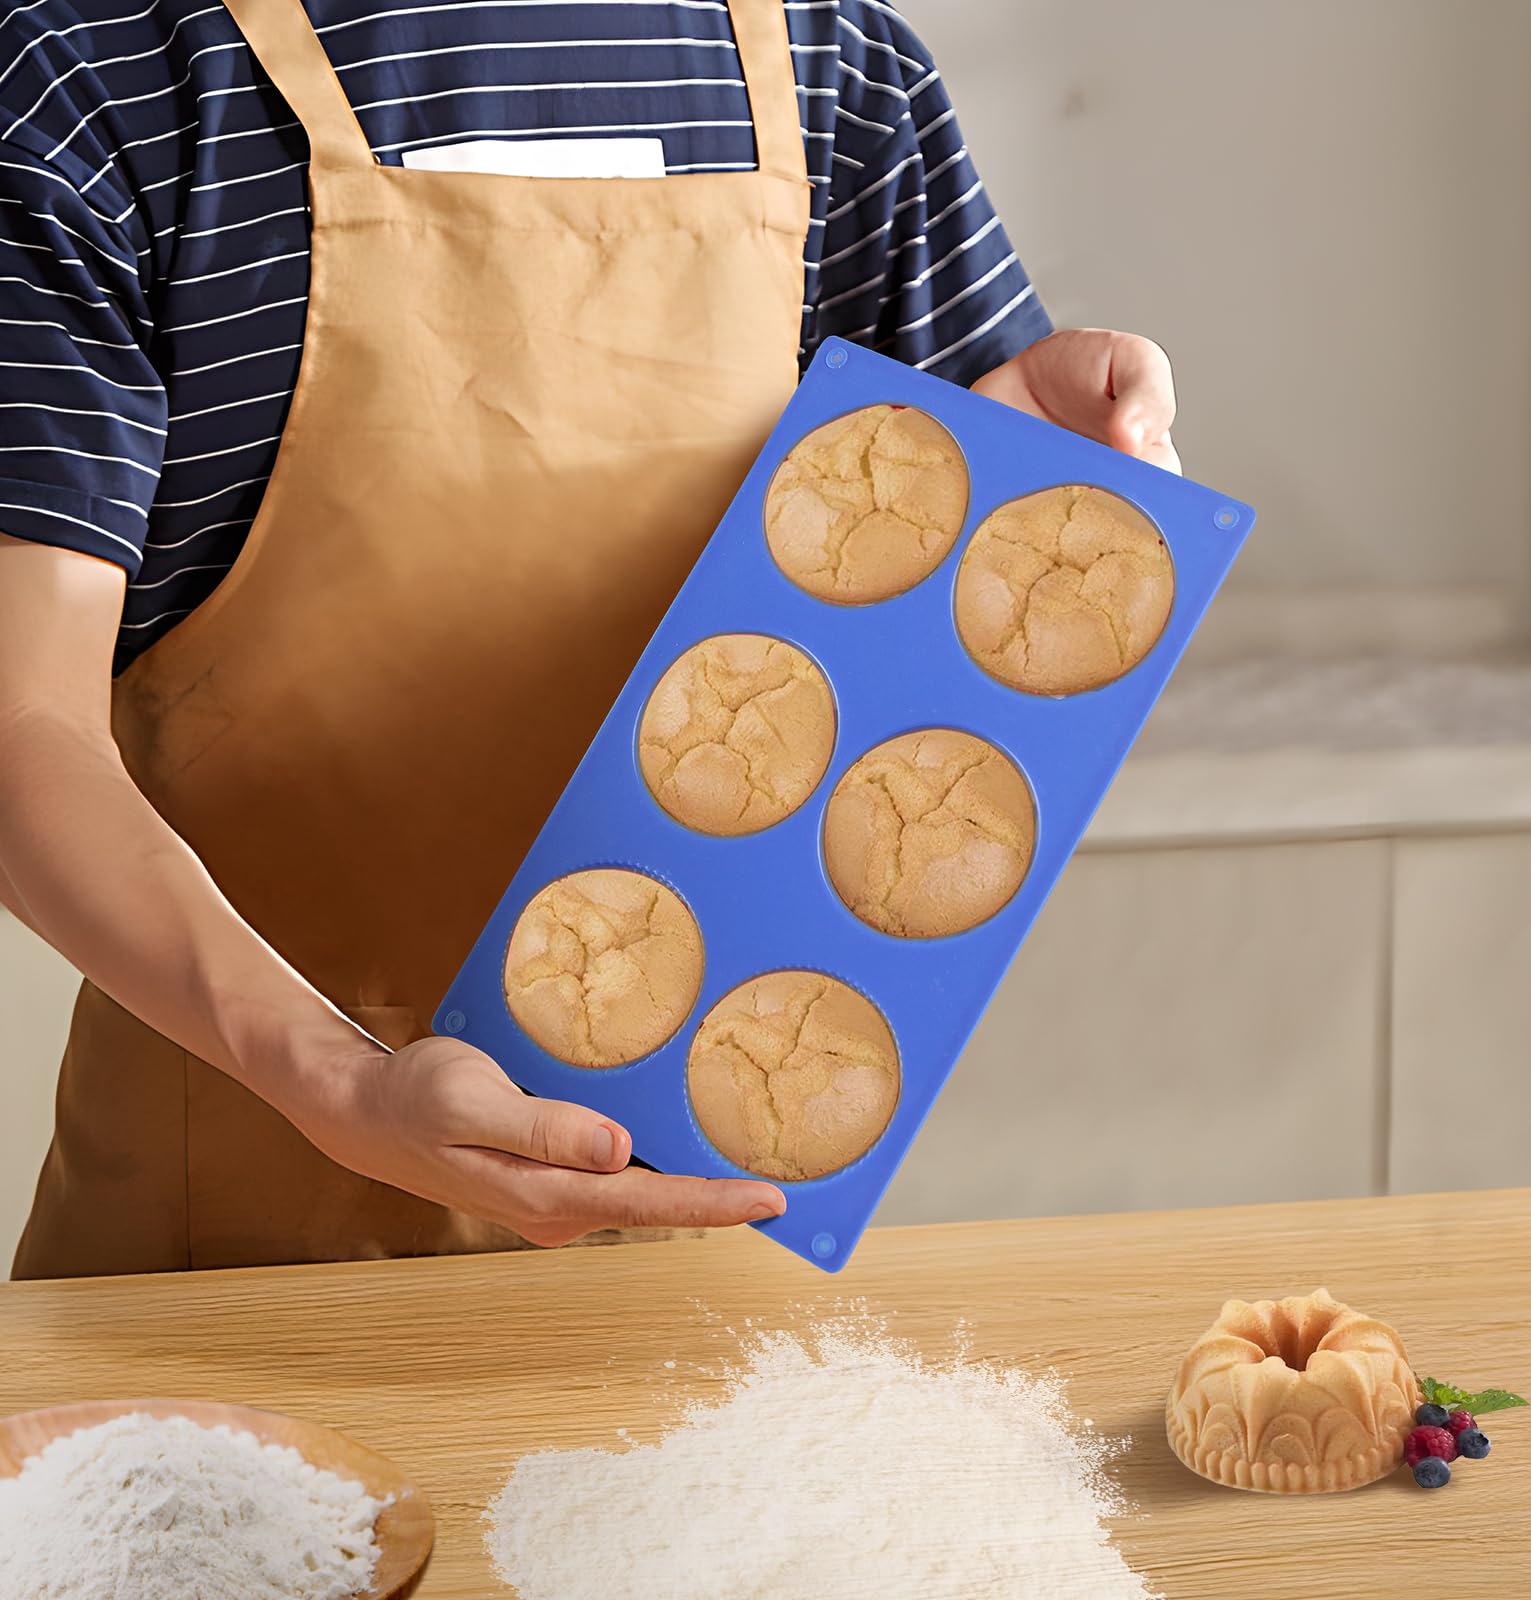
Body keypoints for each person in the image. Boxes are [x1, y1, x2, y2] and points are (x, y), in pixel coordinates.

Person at [0, 0, 1179, 1279]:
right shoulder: (95, 68)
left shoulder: (836, 66)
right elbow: (24, 727)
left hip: (707, 1220)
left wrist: (1035, 469)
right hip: (235, 1237)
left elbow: (934, 644)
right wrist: (337, 1078)